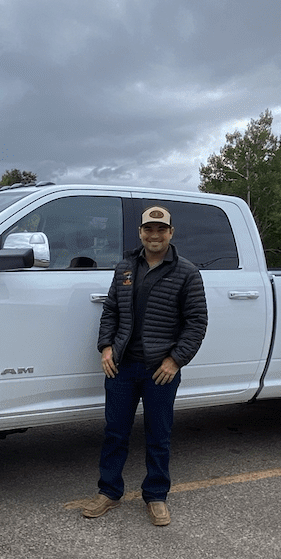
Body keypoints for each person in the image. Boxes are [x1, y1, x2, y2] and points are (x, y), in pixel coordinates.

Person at [81, 205, 208, 526]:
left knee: (158, 435)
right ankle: (109, 491)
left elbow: (196, 323)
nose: (154, 235)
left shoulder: (187, 272)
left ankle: (156, 495)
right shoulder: (125, 267)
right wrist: (106, 347)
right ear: (140, 232)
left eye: (161, 229)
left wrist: (175, 360)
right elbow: (110, 310)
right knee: (115, 432)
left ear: (170, 233)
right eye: (148, 229)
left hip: (159, 371)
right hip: (122, 367)